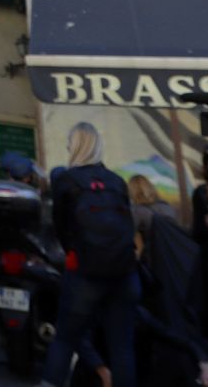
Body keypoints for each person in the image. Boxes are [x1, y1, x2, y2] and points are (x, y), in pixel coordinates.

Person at [43, 123, 138, 387]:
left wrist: (73, 252)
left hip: (85, 272)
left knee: (64, 339)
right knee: (122, 348)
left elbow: (61, 227)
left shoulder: (66, 181)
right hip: (124, 273)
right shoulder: (117, 181)